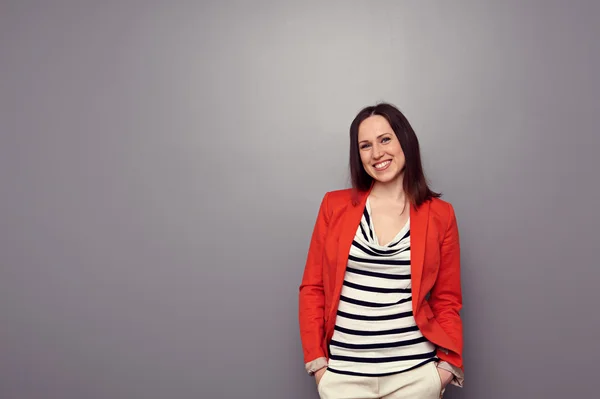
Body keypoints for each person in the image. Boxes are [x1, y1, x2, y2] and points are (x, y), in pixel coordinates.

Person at [298, 103, 464, 399]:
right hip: (344, 377)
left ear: (405, 141)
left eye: (385, 139)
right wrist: (319, 366)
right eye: (365, 145)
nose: (377, 154)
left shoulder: (440, 215)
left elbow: (447, 299)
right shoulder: (334, 207)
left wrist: (446, 368)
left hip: (415, 376)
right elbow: (313, 288)